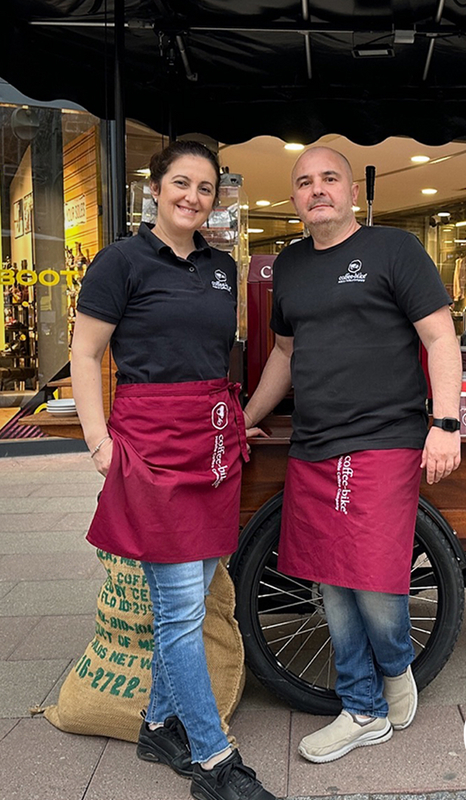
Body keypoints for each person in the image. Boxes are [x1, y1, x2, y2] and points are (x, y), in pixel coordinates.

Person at [243, 146, 462, 763]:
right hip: (314, 442)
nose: (317, 190)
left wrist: (446, 423)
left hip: (384, 438)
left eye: (329, 179)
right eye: (304, 182)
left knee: (371, 577)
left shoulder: (395, 250)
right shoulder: (288, 266)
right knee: (329, 580)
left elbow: (439, 334)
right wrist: (244, 419)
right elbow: (284, 355)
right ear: (295, 199)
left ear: (353, 193)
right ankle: (364, 704)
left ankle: (391, 673)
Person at [71, 140, 275, 800]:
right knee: (182, 609)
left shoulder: (221, 266)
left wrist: (236, 419)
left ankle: (159, 724)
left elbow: (213, 354)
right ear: (155, 187)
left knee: (188, 594)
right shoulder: (120, 261)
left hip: (209, 442)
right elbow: (84, 352)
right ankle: (214, 759)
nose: (193, 196)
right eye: (181, 183)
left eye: (206, 188)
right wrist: (98, 442)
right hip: (149, 443)